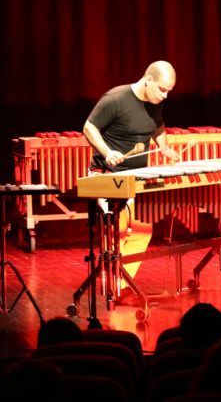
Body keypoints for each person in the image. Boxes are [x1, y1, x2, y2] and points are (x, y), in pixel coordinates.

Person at [83, 61, 180, 281]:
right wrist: (107, 152)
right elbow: (89, 127)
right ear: (148, 80)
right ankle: (114, 280)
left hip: (137, 178)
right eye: (162, 90)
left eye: (168, 91)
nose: (165, 96)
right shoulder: (115, 99)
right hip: (108, 175)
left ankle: (122, 280)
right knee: (118, 229)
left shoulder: (154, 103)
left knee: (144, 229)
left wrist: (164, 149)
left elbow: (156, 126)